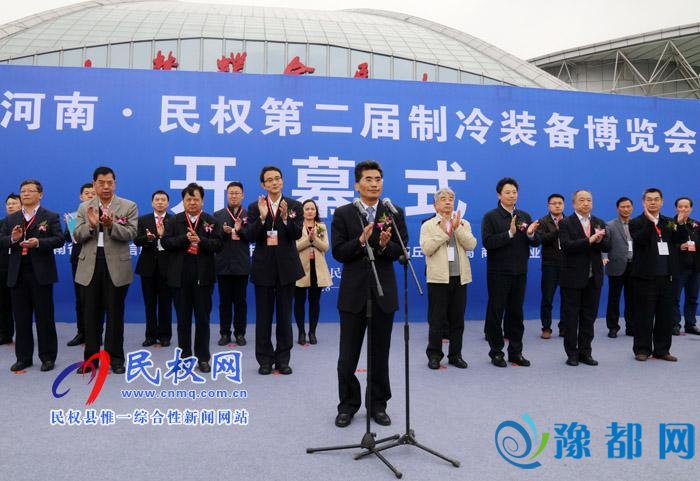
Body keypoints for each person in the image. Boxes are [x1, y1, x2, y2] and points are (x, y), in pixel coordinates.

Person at [331, 160, 408, 428]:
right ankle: (347, 405)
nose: (374, 184)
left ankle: (378, 405)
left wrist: (386, 246)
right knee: (347, 357)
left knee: (379, 355)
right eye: (368, 179)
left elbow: (402, 249)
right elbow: (338, 252)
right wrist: (361, 241)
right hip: (353, 293)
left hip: (383, 292)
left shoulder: (393, 212)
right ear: (357, 185)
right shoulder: (344, 213)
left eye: (378, 179)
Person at [74, 166, 138, 374]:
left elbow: (131, 233)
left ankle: (116, 359)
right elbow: (76, 235)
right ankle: (91, 360)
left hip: (116, 267)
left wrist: (111, 225)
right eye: (101, 183)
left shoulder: (128, 206)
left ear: (115, 184)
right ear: (94, 184)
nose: (106, 186)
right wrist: (91, 226)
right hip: (90, 266)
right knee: (91, 316)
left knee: (115, 315)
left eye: (110, 182)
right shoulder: (84, 207)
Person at [243, 166, 303, 376]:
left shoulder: (294, 205)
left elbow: (296, 234)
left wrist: (286, 218)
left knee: (285, 316)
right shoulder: (254, 207)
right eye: (269, 180)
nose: (274, 182)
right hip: (263, 268)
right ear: (263, 184)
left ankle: (283, 359)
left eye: (277, 178)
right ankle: (265, 360)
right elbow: (249, 236)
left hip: (287, 268)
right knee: (264, 317)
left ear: (282, 181)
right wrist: (261, 218)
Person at [0, 180, 64, 372]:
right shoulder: (11, 219)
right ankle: (23, 358)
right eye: (23, 191)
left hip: (41, 274)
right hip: (17, 273)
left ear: (40, 194)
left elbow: (59, 239)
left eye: (30, 190)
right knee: (21, 318)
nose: (26, 193)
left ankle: (48, 357)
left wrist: (39, 243)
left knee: (45, 317)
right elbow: (1, 240)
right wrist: (13, 239)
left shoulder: (50, 216)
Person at [162, 183, 221, 373]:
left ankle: (203, 358)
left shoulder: (210, 221)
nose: (192, 202)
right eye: (189, 199)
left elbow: (219, 245)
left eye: (196, 199)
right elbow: (165, 242)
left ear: (202, 201)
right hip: (179, 278)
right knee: (183, 320)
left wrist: (200, 241)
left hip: (203, 278)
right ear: (183, 201)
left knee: (203, 320)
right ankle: (185, 357)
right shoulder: (174, 220)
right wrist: (185, 239)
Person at [482, 177, 540, 368]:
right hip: (498, 273)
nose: (511, 195)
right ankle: (496, 352)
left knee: (516, 314)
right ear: (499, 195)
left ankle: (516, 352)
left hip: (520, 271)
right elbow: (488, 242)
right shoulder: (491, 217)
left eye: (514, 192)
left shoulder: (524, 215)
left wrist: (530, 233)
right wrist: (510, 233)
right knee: (496, 313)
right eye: (507, 192)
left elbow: (535, 241)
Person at [420, 188, 477, 370]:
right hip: (438, 279)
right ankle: (434, 355)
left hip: (460, 278)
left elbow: (471, 244)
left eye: (451, 199)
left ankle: (455, 355)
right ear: (435, 205)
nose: (447, 202)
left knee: (457, 320)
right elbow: (427, 249)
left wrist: (456, 228)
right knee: (436, 320)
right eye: (443, 199)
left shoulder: (464, 223)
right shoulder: (428, 225)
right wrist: (445, 232)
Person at [629, 188, 684, 362]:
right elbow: (640, 240)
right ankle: (642, 349)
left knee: (665, 316)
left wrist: (681, 224)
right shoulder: (636, 222)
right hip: (645, 278)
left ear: (662, 202)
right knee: (644, 315)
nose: (653, 202)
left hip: (667, 277)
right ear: (643, 202)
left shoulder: (668, 222)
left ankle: (662, 350)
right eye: (649, 199)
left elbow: (679, 239)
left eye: (656, 199)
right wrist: (651, 222)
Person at [558, 190, 610, 366]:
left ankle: (585, 352)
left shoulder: (598, 222)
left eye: (589, 200)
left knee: (589, 317)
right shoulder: (566, 222)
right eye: (582, 200)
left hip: (593, 278)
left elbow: (607, 245)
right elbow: (566, 246)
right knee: (571, 317)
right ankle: (572, 354)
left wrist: (600, 240)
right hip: (572, 277)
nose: (586, 203)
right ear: (574, 204)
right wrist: (589, 240)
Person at [213, 181, 250, 347]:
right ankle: (225, 333)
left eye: (237, 193)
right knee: (224, 302)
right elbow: (213, 240)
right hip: (223, 265)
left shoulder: (249, 215)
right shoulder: (218, 215)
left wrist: (239, 230)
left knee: (241, 302)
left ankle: (240, 333)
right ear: (227, 195)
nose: (233, 196)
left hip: (241, 265)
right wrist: (223, 231)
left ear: (242, 195)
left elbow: (252, 237)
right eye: (231, 193)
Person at [134, 190, 173, 347]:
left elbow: (176, 242)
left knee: (165, 304)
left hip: (167, 268)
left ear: (168, 203)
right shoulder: (143, 219)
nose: (160, 202)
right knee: (149, 304)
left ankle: (165, 336)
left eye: (163, 200)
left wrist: (163, 237)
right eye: (157, 199)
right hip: (147, 267)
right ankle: (150, 335)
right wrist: (148, 239)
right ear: (152, 203)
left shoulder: (174, 220)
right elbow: (136, 240)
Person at [294, 199, 332, 345]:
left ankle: (312, 332)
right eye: (307, 209)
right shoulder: (297, 226)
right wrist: (308, 241)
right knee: (299, 302)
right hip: (300, 269)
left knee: (314, 302)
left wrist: (314, 239)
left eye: (312, 209)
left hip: (317, 269)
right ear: (302, 211)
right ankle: (301, 332)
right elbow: (294, 247)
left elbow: (325, 247)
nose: (310, 211)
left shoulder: (321, 226)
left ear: (316, 211)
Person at [65, 183, 97, 347]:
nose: (90, 195)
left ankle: (96, 334)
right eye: (87, 193)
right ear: (81, 196)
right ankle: (81, 333)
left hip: (98, 260)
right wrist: (69, 226)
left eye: (93, 193)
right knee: (80, 299)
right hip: (78, 260)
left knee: (97, 300)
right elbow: (68, 238)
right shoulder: (74, 217)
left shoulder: (103, 214)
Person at [602, 197, 635, 338]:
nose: (626, 209)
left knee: (632, 299)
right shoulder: (610, 225)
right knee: (614, 299)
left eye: (628, 206)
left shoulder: (637, 224)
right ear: (617, 208)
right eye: (623, 207)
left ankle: (631, 327)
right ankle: (613, 327)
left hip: (634, 266)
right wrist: (604, 257)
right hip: (616, 265)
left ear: (632, 208)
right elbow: (604, 244)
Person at [537, 193, 565, 339]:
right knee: (547, 298)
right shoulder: (542, 222)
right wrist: (558, 229)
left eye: (560, 203)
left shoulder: (570, 221)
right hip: (550, 264)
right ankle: (546, 328)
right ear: (549, 206)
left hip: (567, 264)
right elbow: (543, 239)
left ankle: (564, 327)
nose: (557, 206)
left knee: (567, 298)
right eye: (554, 203)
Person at [671, 197, 700, 336]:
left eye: (686, 207)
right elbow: (666, 244)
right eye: (680, 207)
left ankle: (690, 324)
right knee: (674, 297)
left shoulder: (696, 224)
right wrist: (679, 247)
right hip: (679, 267)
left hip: (695, 267)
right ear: (676, 208)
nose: (683, 209)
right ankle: (674, 324)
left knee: (692, 297)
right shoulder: (671, 224)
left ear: (691, 208)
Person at [0, 193, 21, 345]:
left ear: (21, 205)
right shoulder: (2, 224)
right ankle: (5, 334)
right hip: (3, 268)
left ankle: (23, 335)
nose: (11, 206)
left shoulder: (27, 223)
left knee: (21, 305)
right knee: (3, 303)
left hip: (20, 268)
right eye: (9, 204)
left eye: (14, 203)